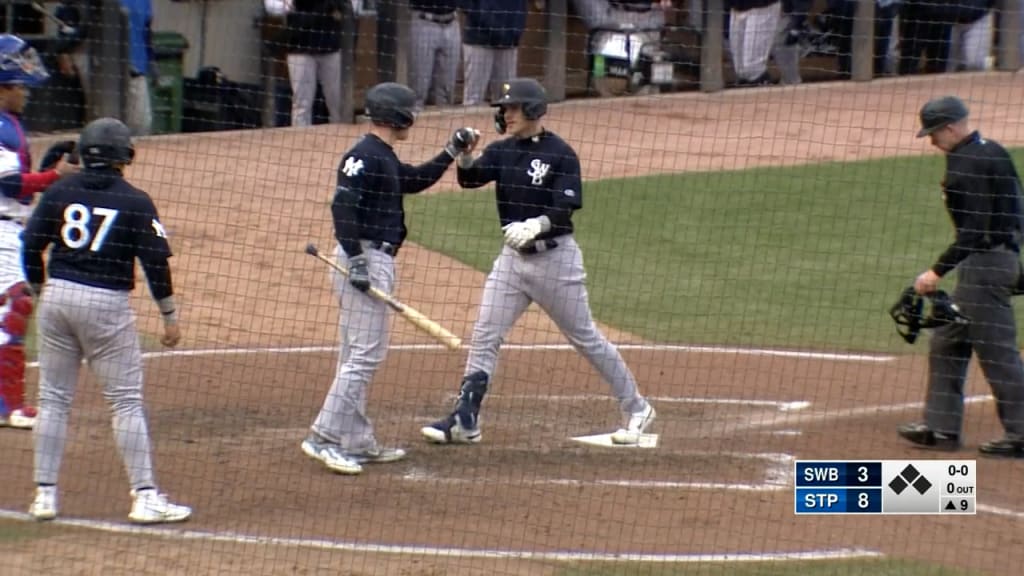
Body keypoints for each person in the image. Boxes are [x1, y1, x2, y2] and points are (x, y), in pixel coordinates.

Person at [421, 78, 656, 446]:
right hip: (512, 263)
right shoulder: (502, 151)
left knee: (586, 338)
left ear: (531, 110)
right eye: (504, 109)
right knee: (485, 334)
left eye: (512, 108)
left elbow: (566, 208)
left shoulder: (560, 153)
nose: (506, 114)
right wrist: (465, 155)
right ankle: (466, 418)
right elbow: (471, 179)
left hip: (556, 263)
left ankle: (637, 407)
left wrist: (536, 225)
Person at [300, 82, 477, 475]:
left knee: (354, 355)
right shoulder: (363, 155)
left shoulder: (382, 156)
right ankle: (323, 437)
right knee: (364, 355)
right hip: (362, 258)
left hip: (365, 258)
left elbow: (413, 181)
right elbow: (342, 206)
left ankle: (356, 441)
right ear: (397, 115)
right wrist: (359, 260)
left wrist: (451, 151)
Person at [21, 117, 193, 521]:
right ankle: (145, 496)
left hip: (58, 298)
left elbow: (30, 245)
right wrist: (169, 316)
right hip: (106, 304)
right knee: (126, 402)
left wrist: (41, 290)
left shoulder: (59, 190)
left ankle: (44, 496)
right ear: (124, 156)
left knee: (53, 399)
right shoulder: (136, 200)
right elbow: (155, 264)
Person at [897, 95, 1024, 458]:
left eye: (934, 134)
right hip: (992, 262)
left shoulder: (964, 166)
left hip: (983, 266)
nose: (932, 142)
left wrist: (935, 271)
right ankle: (941, 429)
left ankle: (1021, 434)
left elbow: (974, 232)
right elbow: (1018, 209)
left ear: (951, 127)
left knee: (998, 355)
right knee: (947, 340)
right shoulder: (992, 150)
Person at [0, 35, 79, 431]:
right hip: (0, 230)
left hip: (9, 226)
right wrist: (55, 175)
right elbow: (12, 185)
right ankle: (7, 406)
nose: (25, 94)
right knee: (14, 307)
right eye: (19, 87)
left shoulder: (9, 124)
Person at [269, 0, 349, 126]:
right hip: (299, 48)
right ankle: (300, 142)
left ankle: (341, 141)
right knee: (302, 103)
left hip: (329, 46)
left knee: (336, 101)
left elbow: (348, 8)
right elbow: (272, 7)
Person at [460, 0, 528, 107]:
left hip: (508, 42)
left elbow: (522, 7)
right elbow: (466, 5)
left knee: (506, 97)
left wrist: (516, 32)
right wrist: (490, 25)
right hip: (480, 40)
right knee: (473, 100)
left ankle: (501, 124)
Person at [408, 0, 460, 110]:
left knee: (447, 89)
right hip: (424, 21)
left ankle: (444, 123)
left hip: (452, 21)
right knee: (419, 88)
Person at [120, 0, 156, 135]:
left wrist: (152, 61)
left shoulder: (144, 2)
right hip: (109, 73)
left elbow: (147, 32)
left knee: (142, 124)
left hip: (137, 70)